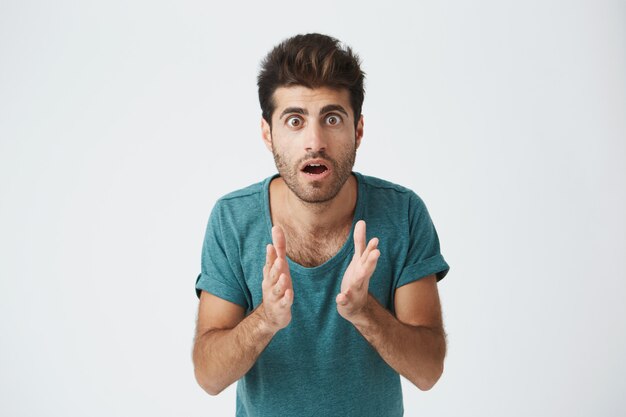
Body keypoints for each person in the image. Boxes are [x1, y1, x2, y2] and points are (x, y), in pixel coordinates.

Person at [192, 33, 450, 417]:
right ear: (268, 133)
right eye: (294, 120)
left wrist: (365, 312)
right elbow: (208, 376)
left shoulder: (404, 213)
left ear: (358, 130)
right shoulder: (232, 219)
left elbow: (428, 371)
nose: (315, 141)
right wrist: (265, 319)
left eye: (332, 118)